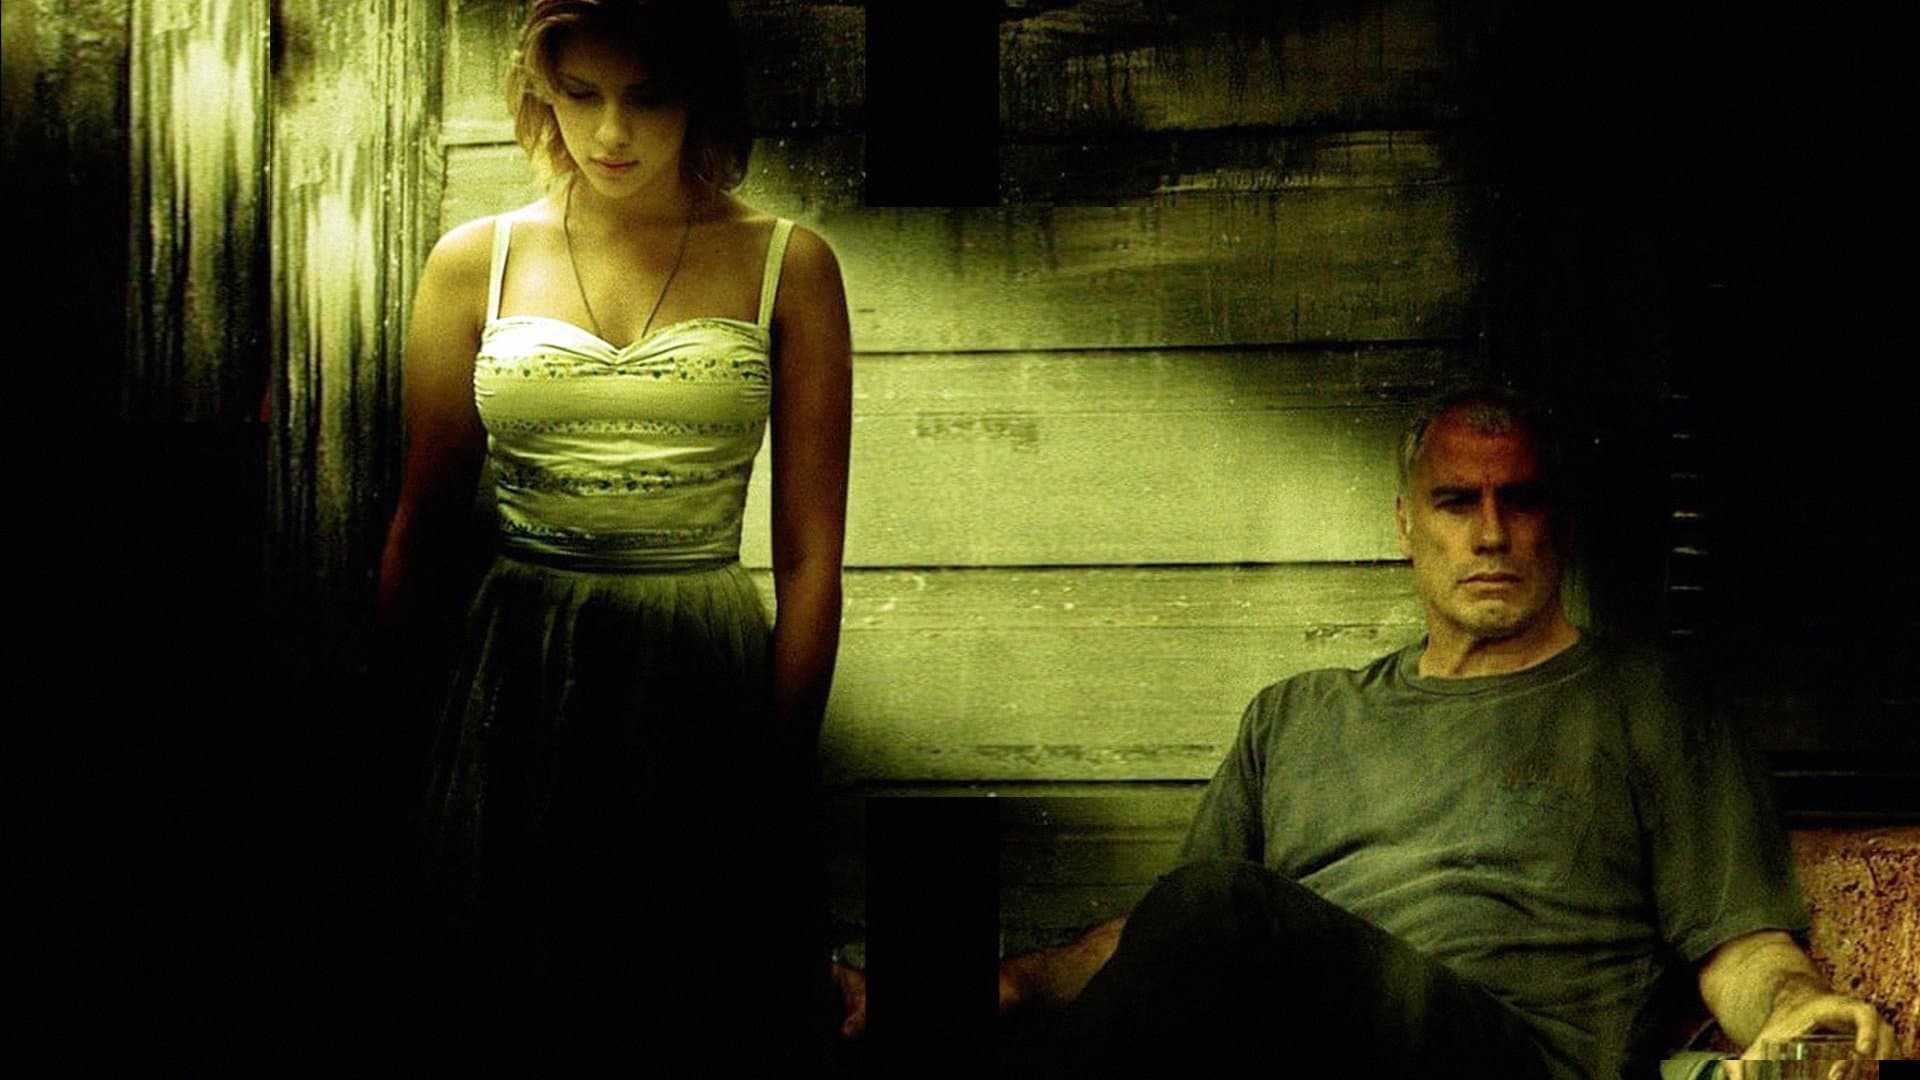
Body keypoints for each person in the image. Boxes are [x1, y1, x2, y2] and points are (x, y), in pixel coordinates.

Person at [990, 386, 1900, 1078]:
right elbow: (1160, 944)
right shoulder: (1296, 717)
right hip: (1298, 1045)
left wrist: (1798, 1005)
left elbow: (1739, 946)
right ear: (1406, 524)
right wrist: (1018, 982)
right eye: (1457, 502)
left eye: (1521, 500)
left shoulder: (1647, 701)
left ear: (1561, 525)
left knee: (1218, 908)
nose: (1491, 534)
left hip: (1513, 1057)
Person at [374, 0, 851, 1070]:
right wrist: (397, 742)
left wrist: (780, 767)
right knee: (512, 991)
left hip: (701, 670)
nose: (611, 133)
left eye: (648, 97)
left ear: (701, 96)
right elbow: (423, 522)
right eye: (580, 96)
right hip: (518, 668)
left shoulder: (790, 264)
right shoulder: (475, 261)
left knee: (694, 990)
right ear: (541, 92)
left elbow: (812, 554)